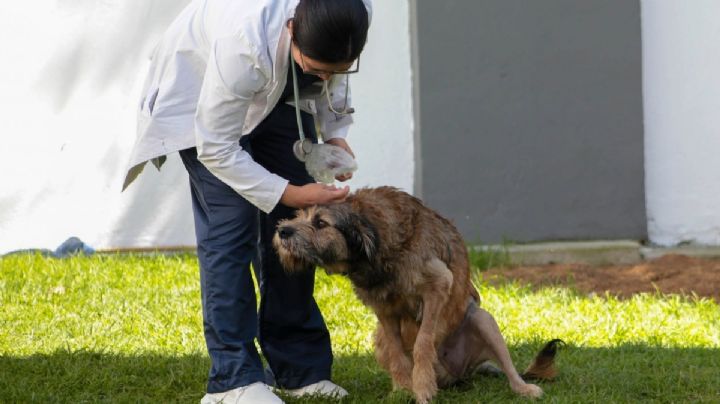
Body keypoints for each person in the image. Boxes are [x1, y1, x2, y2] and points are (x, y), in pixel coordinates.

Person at [122, 0, 372, 403]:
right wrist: (291, 192)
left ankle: (298, 369)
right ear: (293, 29)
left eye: (335, 68)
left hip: (277, 89)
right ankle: (232, 381)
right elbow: (216, 148)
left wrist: (335, 132)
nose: (326, 76)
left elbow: (331, 76)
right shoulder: (245, 40)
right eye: (317, 67)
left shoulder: (351, 10)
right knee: (231, 229)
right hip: (204, 91)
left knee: (294, 225)